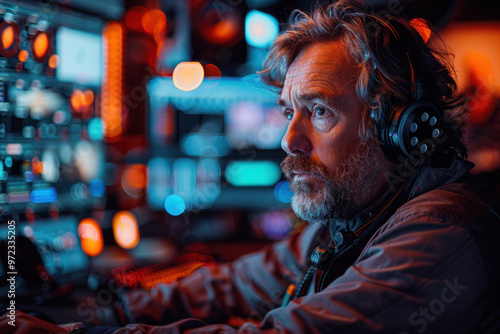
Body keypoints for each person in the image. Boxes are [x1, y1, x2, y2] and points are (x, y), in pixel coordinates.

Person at [2, 0, 500, 333]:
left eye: (320, 110)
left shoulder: (438, 233)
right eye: (289, 111)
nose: (289, 138)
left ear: (399, 127)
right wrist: (93, 310)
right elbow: (237, 283)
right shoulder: (361, 216)